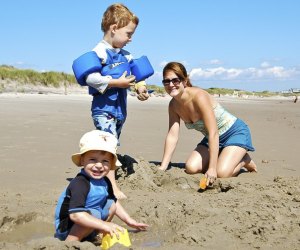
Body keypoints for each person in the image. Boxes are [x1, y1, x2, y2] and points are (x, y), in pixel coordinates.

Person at [75, 3, 150, 199]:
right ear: (114, 28)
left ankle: (94, 176)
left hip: (120, 110)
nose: (130, 39)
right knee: (108, 146)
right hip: (103, 109)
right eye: (128, 33)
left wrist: (141, 88)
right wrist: (117, 82)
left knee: (113, 144)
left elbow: (137, 76)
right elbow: (91, 78)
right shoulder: (99, 52)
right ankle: (112, 187)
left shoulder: (127, 55)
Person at [159, 62, 257, 186]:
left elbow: (213, 132)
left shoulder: (199, 96)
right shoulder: (173, 106)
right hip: (212, 139)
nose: (171, 85)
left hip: (234, 132)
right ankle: (225, 155)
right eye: (166, 81)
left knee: (221, 173)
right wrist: (163, 166)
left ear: (184, 81)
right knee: (191, 168)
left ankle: (244, 160)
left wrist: (212, 168)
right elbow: (172, 135)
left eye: (175, 80)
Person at [54, 130, 148, 242]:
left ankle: (94, 234)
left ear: (111, 164)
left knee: (111, 205)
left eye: (105, 161)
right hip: (68, 226)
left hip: (91, 218)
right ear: (82, 160)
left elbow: (114, 203)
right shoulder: (80, 183)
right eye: (93, 159)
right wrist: (104, 225)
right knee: (91, 215)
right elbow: (76, 215)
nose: (99, 165)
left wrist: (129, 220)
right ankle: (70, 243)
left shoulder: (105, 181)